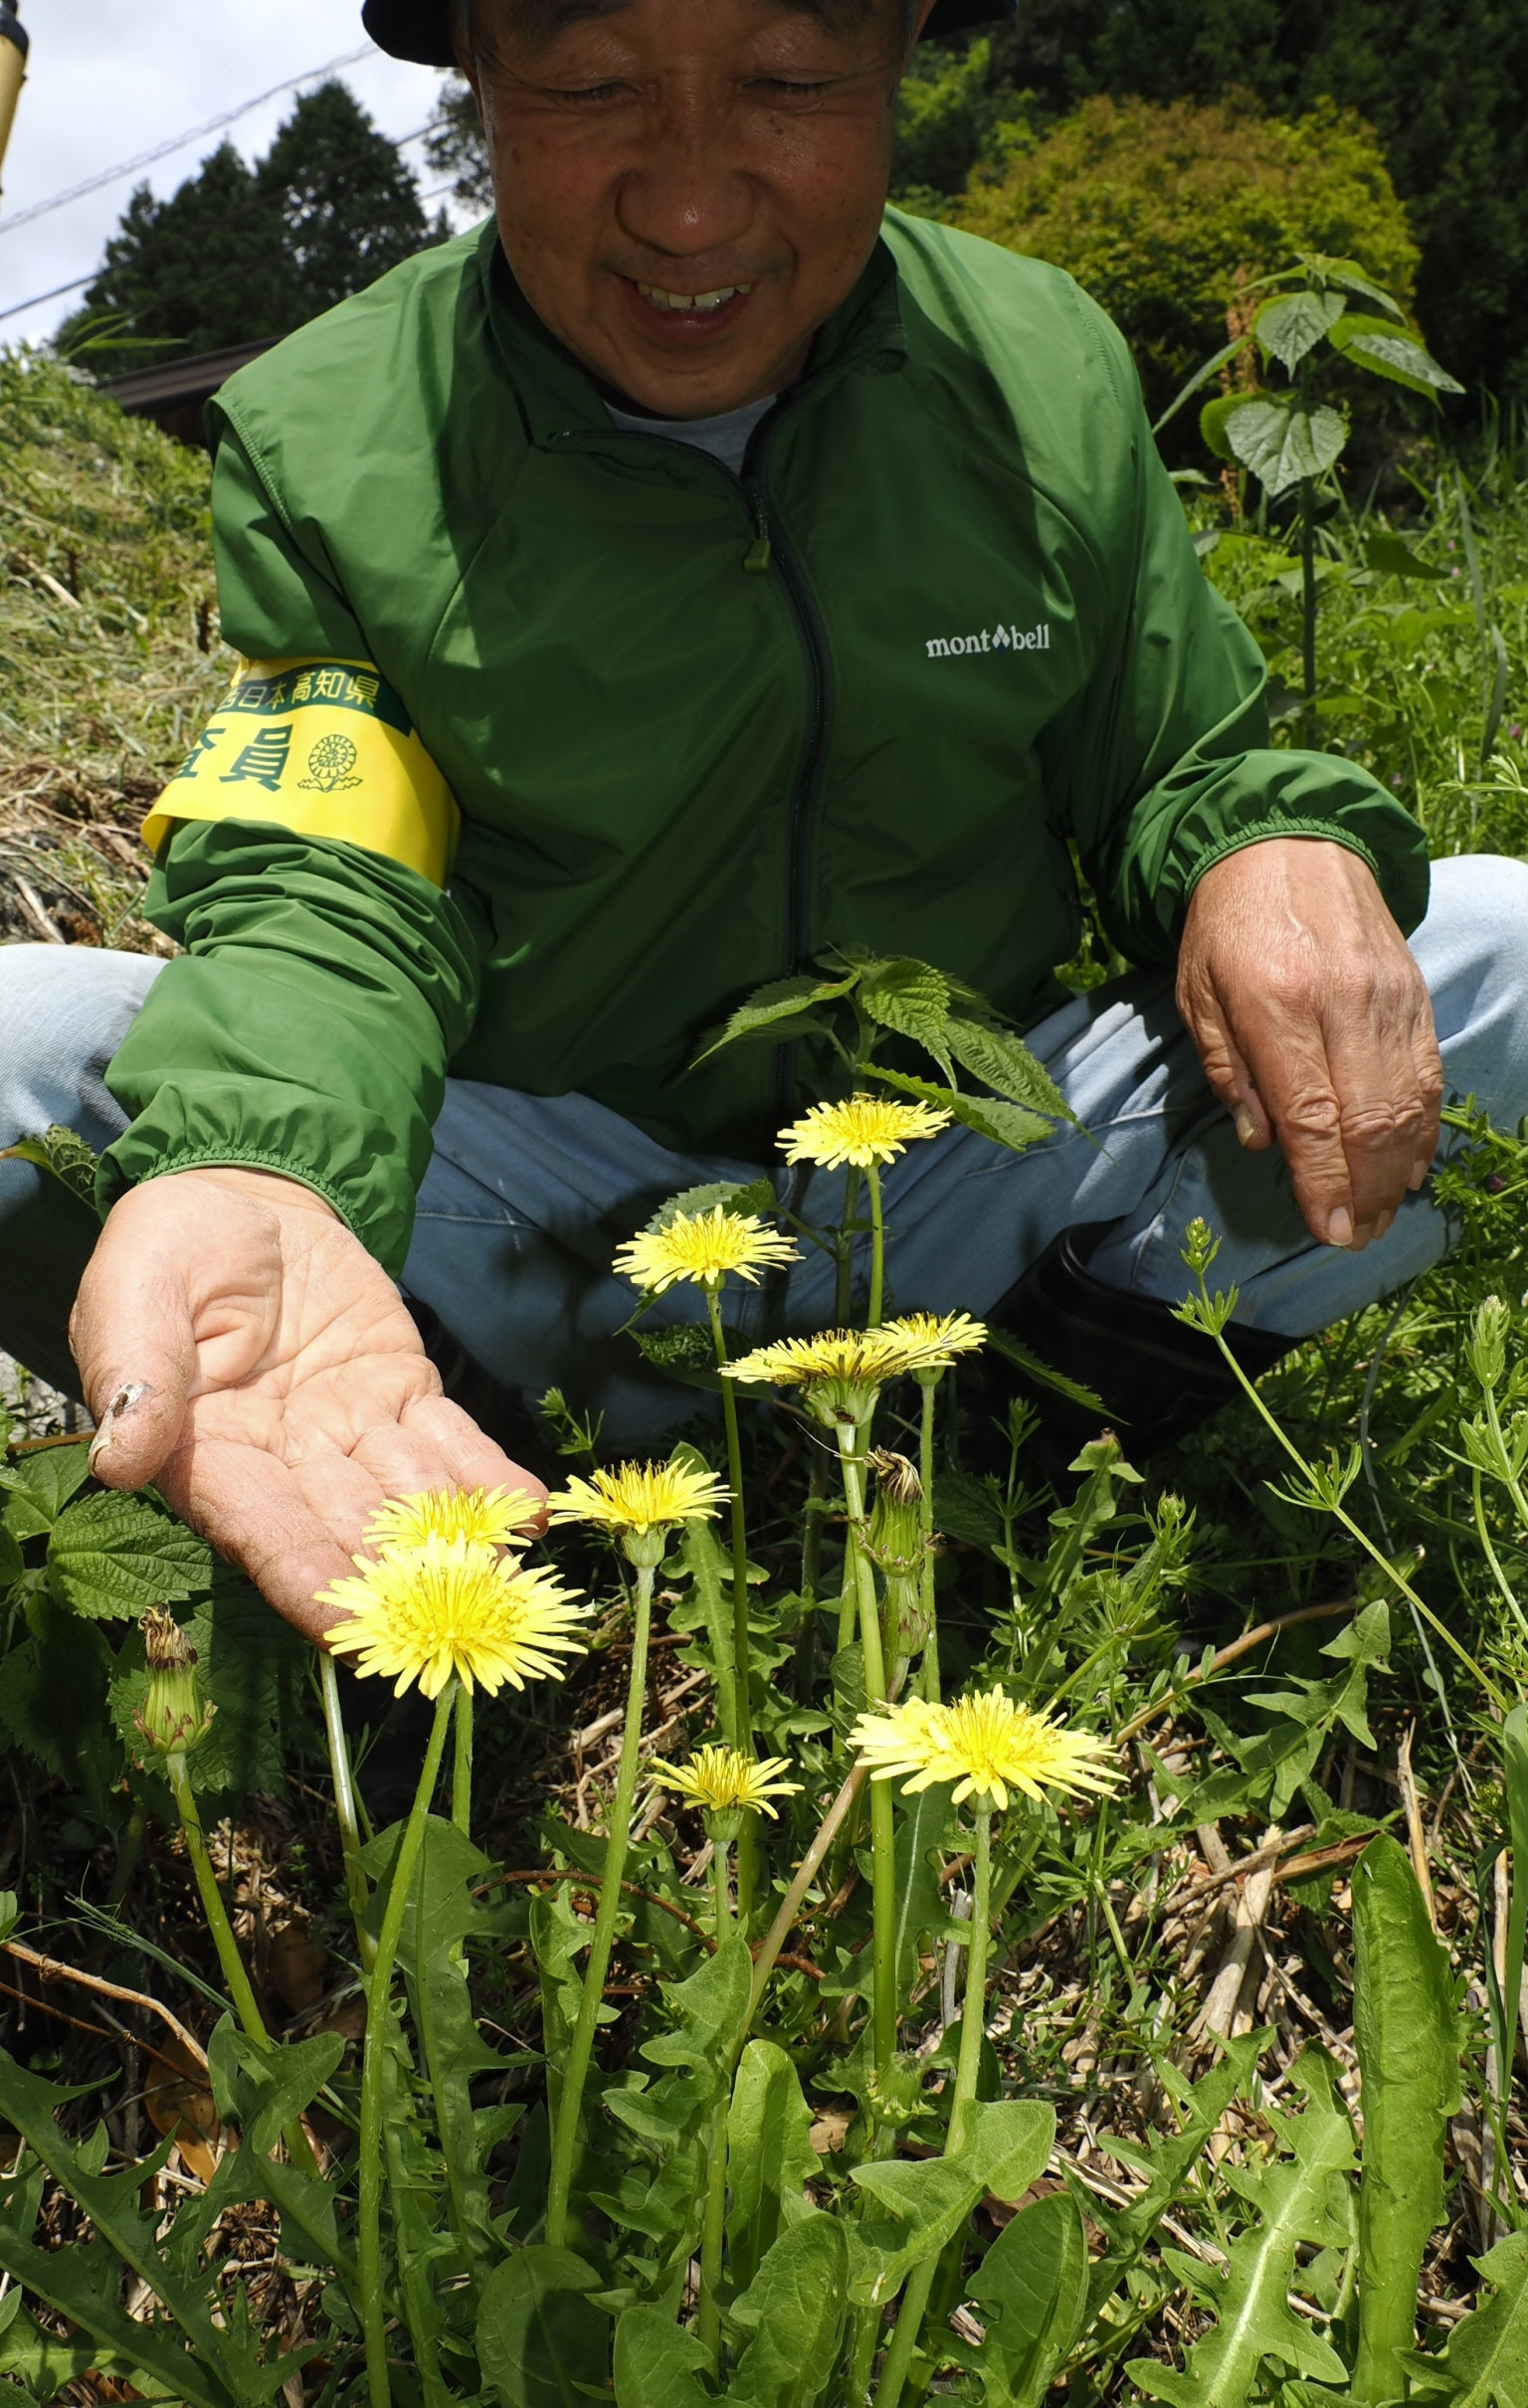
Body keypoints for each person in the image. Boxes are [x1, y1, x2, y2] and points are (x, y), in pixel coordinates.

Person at [3, 0, 1526, 1641]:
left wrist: (1258, 846)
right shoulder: (326, 432)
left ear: (904, 50)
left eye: (790, 82)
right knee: (20, 1046)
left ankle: (1009, 1417)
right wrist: (262, 1166)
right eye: (591, 86)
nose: (689, 210)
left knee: (1502, 942)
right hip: (561, 1225)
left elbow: (1182, 752)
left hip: (957, 1178)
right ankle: (438, 1395)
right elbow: (329, 890)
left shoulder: (1038, 358)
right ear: (479, 76)